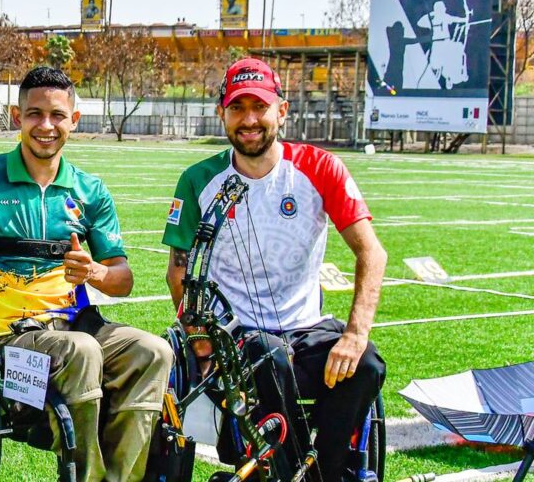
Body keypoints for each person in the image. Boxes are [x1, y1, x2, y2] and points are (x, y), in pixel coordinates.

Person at [0, 66, 172, 482]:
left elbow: (122, 278)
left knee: (155, 351)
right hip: (7, 347)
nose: (46, 125)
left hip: (77, 326)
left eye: (57, 115)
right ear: (16, 116)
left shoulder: (90, 190)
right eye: (34, 113)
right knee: (82, 351)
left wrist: (94, 271)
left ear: (73, 121)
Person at [162, 57, 387, 482]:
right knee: (269, 357)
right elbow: (179, 273)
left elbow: (371, 254)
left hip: (307, 327)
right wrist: (202, 345)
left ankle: (325, 469)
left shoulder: (321, 168)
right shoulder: (198, 180)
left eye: (259, 107)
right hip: (239, 338)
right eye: (237, 108)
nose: (249, 119)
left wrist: (355, 337)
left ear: (281, 111)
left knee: (369, 366)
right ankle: (304, 474)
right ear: (222, 114)